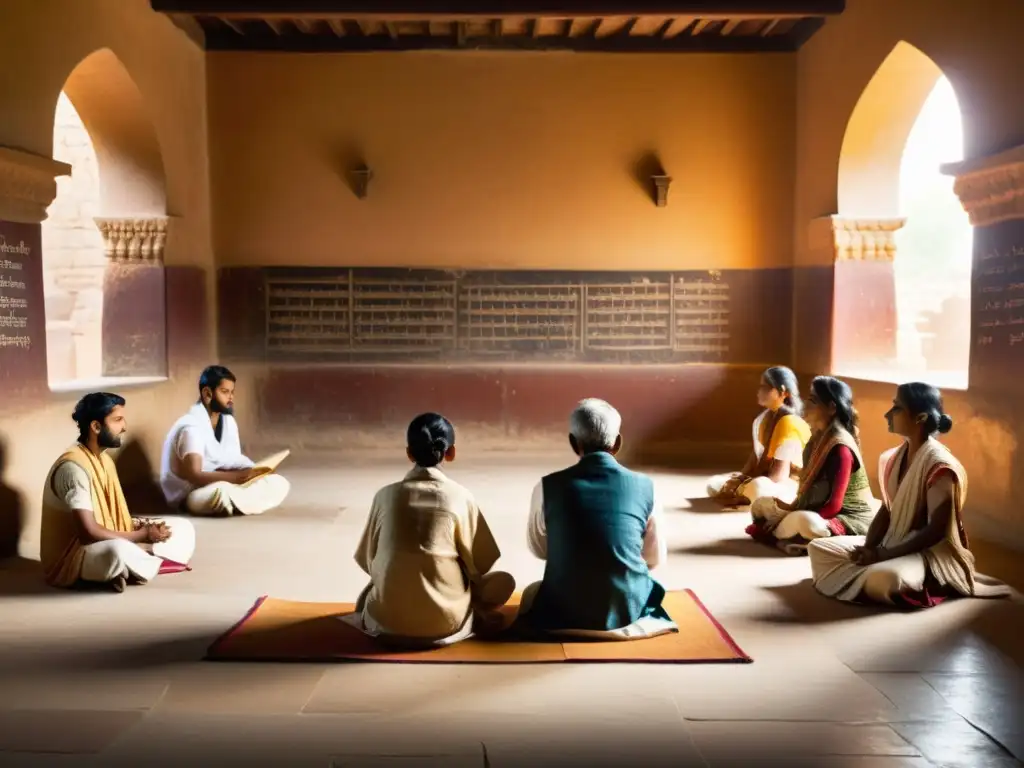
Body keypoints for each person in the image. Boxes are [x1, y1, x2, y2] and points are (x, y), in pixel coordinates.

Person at [809, 383, 1011, 608]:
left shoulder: (939, 466)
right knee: (818, 548)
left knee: (886, 579)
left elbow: (934, 531)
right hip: (891, 543)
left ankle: (902, 579)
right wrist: (869, 547)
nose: (887, 414)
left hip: (926, 555)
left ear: (920, 418)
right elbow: (887, 509)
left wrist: (883, 555)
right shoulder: (892, 459)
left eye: (896, 408)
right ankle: (866, 575)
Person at [346, 413, 515, 648]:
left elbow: (368, 561)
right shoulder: (460, 496)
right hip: (445, 624)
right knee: (502, 581)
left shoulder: (385, 496)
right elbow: (480, 563)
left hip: (386, 624)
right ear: (451, 452)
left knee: (373, 590)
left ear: (409, 453)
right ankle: (471, 610)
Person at [517, 398, 675, 640]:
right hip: (626, 611)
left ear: (572, 443)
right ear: (618, 443)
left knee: (531, 594)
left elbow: (540, 550)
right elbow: (653, 559)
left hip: (562, 613)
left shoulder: (547, 486)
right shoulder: (646, 487)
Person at [40, 392, 195, 592]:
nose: (124, 427)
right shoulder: (73, 468)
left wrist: (142, 526)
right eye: (117, 420)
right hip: (75, 556)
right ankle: (137, 561)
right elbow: (88, 533)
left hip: (102, 543)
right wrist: (141, 536)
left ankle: (132, 566)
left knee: (183, 527)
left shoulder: (105, 460)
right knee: (117, 552)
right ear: (96, 427)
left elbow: (113, 517)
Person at [747, 376, 878, 555]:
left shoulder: (840, 448)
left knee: (804, 521)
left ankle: (786, 536)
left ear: (831, 408)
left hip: (846, 518)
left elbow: (833, 506)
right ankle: (790, 539)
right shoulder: (816, 439)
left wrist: (786, 515)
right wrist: (787, 509)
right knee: (760, 506)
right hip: (812, 508)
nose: (806, 405)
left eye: (813, 401)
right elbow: (804, 492)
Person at [159, 365, 290, 516]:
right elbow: (195, 475)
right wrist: (236, 478)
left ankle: (234, 503)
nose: (231, 398)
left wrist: (255, 473)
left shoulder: (228, 422)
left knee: (278, 482)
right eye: (225, 392)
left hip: (225, 482)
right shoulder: (191, 427)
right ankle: (234, 501)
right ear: (207, 394)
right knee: (220, 493)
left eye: (232, 392)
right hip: (192, 493)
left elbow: (232, 460)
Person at [707, 366, 812, 509]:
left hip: (789, 484)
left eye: (766, 387)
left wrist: (744, 485)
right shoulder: (762, 419)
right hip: (766, 479)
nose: (759, 392)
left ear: (783, 392)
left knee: (757, 487)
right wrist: (741, 478)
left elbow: (779, 476)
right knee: (714, 484)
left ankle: (748, 495)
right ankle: (746, 493)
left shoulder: (790, 422)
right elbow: (756, 456)